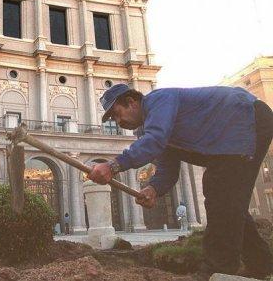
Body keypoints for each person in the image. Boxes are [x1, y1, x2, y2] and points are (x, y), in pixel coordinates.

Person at [88, 84, 273, 280]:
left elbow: (155, 140)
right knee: (226, 197)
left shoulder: (158, 100)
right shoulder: (154, 127)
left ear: (132, 102)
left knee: (221, 193)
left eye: (117, 114)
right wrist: (154, 188)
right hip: (227, 139)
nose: (118, 122)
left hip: (246, 118)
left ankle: (218, 269)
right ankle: (261, 264)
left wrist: (114, 166)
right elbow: (167, 167)